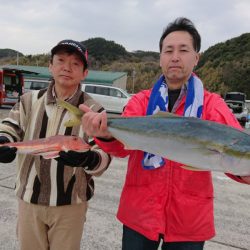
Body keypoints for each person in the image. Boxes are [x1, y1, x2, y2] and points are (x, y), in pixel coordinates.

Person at [79, 18, 250, 250]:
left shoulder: (213, 105)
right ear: (160, 58)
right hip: (140, 213)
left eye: (183, 50)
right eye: (168, 50)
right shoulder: (142, 100)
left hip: (188, 220)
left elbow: (233, 156)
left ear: (196, 58)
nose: (175, 57)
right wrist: (105, 134)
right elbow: (121, 148)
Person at [0, 39, 111, 250]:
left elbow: (105, 155)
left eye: (75, 63)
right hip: (29, 199)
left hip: (70, 205)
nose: (67, 67)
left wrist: (90, 158)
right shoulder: (28, 100)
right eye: (60, 60)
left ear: (85, 73)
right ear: (50, 66)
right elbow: (10, 125)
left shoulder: (94, 110)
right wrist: (5, 140)